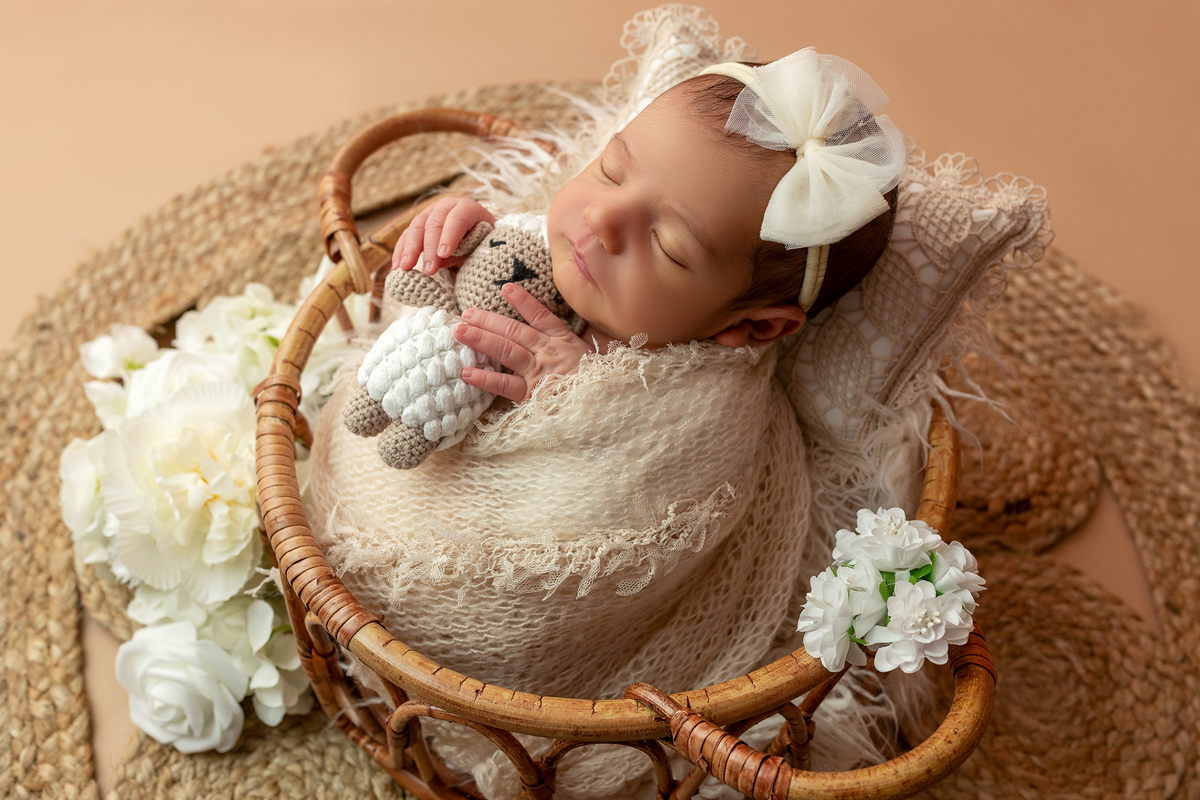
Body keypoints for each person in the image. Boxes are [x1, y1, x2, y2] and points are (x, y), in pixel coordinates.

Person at [389, 48, 905, 405]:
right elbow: (416, 308)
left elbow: (635, 517)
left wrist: (575, 403)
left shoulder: (688, 397)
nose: (600, 216)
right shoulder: (549, 247)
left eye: (667, 245)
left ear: (752, 327)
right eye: (611, 171)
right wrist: (462, 234)